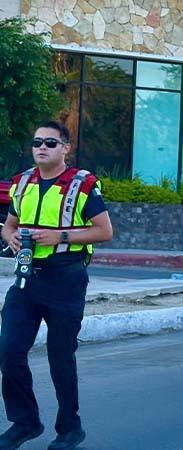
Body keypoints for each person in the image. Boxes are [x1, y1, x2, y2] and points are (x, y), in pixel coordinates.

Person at [0, 121, 113, 450]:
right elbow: (9, 226)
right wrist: (11, 239)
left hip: (66, 279)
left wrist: (60, 236)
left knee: (60, 356)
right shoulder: (21, 183)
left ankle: (70, 428)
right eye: (37, 142)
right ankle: (25, 423)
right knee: (9, 351)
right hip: (26, 280)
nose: (42, 147)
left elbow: (104, 231)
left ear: (66, 148)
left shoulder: (81, 185)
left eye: (50, 142)